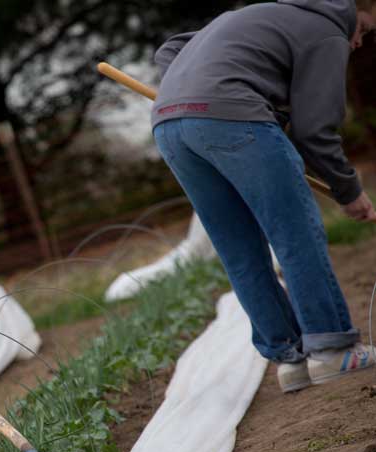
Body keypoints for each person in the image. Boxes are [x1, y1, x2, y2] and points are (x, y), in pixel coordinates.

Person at [151, 0, 376, 393]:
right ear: (355, 9)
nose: (358, 42)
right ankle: (332, 347)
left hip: (170, 125)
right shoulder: (328, 30)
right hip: (233, 118)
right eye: (366, 30)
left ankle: (290, 358)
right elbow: (314, 131)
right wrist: (349, 191)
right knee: (294, 233)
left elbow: (169, 50)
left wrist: (191, 91)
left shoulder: (255, 15)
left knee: (239, 250)